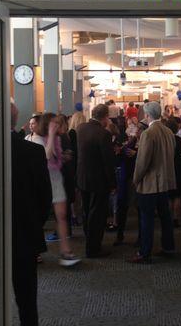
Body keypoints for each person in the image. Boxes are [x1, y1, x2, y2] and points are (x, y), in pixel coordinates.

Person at [10, 104, 52, 326]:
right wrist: (36, 222)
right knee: (27, 297)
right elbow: (45, 196)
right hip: (26, 231)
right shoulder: (33, 152)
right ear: (17, 121)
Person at [128, 102, 176, 263]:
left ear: (147, 115)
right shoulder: (169, 131)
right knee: (165, 217)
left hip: (150, 184)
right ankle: (168, 247)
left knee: (147, 219)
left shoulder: (148, 133)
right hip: (166, 181)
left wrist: (135, 179)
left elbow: (142, 162)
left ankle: (144, 252)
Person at [36, 113, 81, 266]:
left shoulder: (58, 139)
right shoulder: (37, 139)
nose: (57, 126)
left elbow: (56, 159)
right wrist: (50, 134)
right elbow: (46, 156)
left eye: (58, 123)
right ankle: (35, 250)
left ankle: (66, 252)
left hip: (56, 179)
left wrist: (64, 156)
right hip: (43, 181)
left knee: (61, 216)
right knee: (39, 218)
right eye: (54, 123)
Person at [77, 104, 117, 258]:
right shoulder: (103, 134)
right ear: (105, 117)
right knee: (97, 215)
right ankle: (93, 248)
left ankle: (90, 242)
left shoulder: (81, 128)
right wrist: (113, 183)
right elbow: (108, 162)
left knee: (87, 211)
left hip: (82, 177)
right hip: (98, 181)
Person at [162, 117, 181, 228]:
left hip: (166, 166)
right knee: (178, 195)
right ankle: (176, 218)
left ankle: (168, 217)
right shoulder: (179, 139)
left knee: (169, 195)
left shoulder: (163, 140)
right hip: (178, 167)